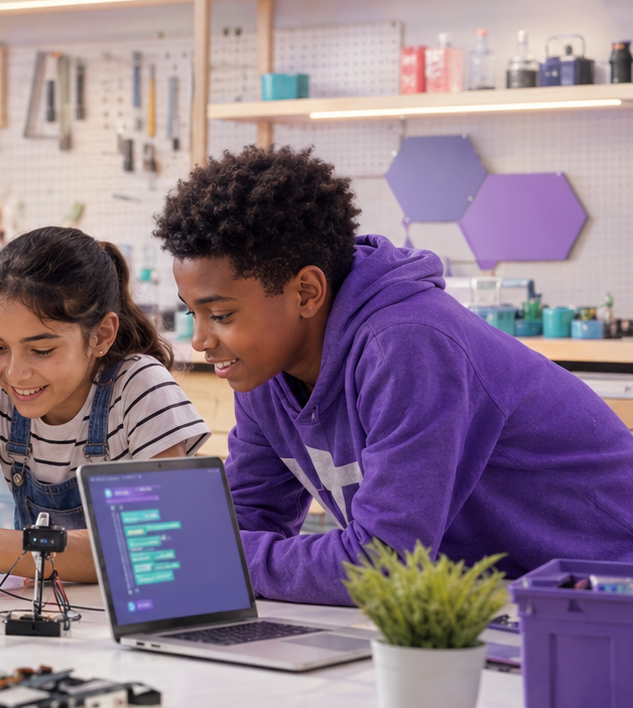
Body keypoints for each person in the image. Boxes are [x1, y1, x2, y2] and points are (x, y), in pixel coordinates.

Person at [156, 145, 633, 605]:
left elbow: (381, 566)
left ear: (305, 292)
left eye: (219, 314)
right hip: (476, 605)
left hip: (600, 597)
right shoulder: (263, 372)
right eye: (193, 314)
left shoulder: (408, 345)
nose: (199, 340)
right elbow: (244, 524)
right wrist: (213, 550)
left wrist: (218, 554)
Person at [0, 227, 212, 579]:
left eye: (41, 350)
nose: (15, 373)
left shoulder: (139, 387)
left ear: (101, 335)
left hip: (130, 615)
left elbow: (155, 544)